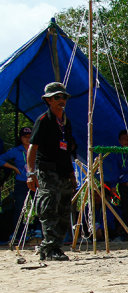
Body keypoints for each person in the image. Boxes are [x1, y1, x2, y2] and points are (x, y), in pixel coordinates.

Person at [26, 82, 77, 261]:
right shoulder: (43, 121)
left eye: (63, 97)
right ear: (48, 100)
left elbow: (68, 150)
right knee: (49, 208)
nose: (61, 100)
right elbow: (32, 148)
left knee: (64, 209)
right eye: (57, 97)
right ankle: (49, 247)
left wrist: (72, 175)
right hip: (47, 171)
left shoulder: (66, 122)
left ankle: (56, 247)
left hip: (63, 172)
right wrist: (31, 173)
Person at [0, 127, 32, 233]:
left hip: (36, 181)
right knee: (20, 208)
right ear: (21, 138)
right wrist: (14, 168)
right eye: (24, 137)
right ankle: (17, 234)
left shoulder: (37, 149)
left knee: (40, 207)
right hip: (22, 182)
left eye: (29, 136)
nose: (27, 139)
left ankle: (39, 231)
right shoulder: (16, 150)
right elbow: (1, 159)